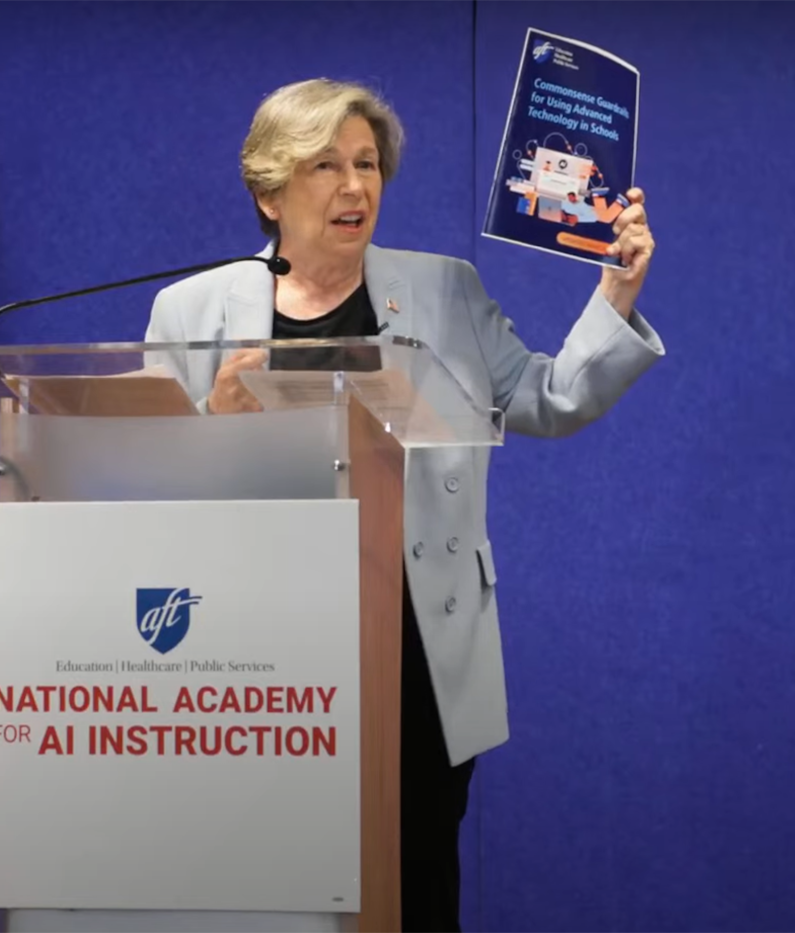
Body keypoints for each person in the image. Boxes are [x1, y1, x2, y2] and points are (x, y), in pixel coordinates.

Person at [144, 78, 664, 931]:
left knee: (414, 887)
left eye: (367, 163)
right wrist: (214, 426)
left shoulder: (444, 290)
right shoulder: (190, 310)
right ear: (269, 193)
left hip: (412, 651)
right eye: (325, 166)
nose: (356, 185)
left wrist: (614, 294)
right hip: (254, 660)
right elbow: (145, 490)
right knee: (272, 892)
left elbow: (551, 398)